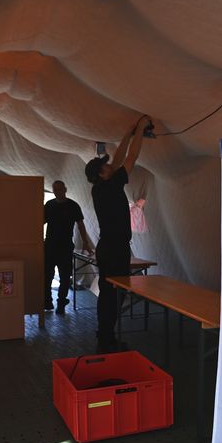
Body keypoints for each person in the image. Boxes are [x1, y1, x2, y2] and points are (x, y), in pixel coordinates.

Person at [85, 115, 152, 353]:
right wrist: (141, 129)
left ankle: (105, 336)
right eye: (105, 166)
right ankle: (106, 339)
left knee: (109, 294)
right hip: (114, 250)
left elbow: (119, 158)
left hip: (109, 248)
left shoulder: (101, 188)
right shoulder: (110, 186)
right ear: (101, 174)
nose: (110, 165)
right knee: (114, 295)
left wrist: (129, 132)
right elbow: (130, 158)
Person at [44, 180, 94, 315]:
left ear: (65, 189)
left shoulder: (73, 206)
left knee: (65, 276)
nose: (57, 192)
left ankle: (61, 303)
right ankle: (47, 301)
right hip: (50, 246)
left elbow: (81, 225)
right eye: (55, 190)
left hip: (65, 246)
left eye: (59, 189)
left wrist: (85, 242)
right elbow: (39, 222)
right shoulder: (49, 205)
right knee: (47, 275)